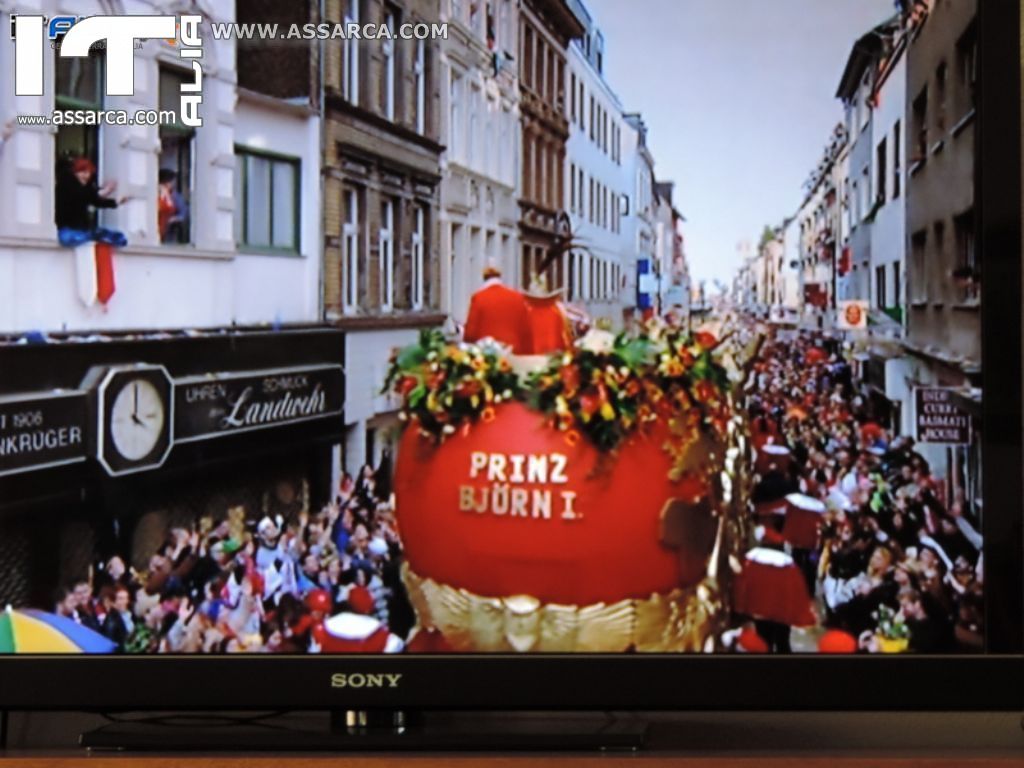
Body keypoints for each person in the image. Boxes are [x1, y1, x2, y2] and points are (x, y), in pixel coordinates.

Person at [54, 157, 128, 247]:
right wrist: (101, 192)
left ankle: (96, 235)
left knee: (114, 236)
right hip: (67, 228)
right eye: (83, 172)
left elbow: (95, 200)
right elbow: (82, 195)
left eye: (89, 173)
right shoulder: (66, 184)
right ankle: (96, 235)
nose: (87, 176)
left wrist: (117, 202)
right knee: (69, 238)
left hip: (80, 229)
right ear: (75, 172)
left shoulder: (84, 188)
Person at [463, 264, 532, 354]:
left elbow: (470, 333)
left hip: (487, 352)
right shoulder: (518, 297)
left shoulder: (478, 297)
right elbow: (526, 330)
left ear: (484, 279)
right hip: (513, 350)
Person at [157, 168, 187, 243]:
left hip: (169, 233)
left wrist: (174, 219)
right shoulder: (156, 194)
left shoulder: (175, 196)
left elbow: (183, 213)